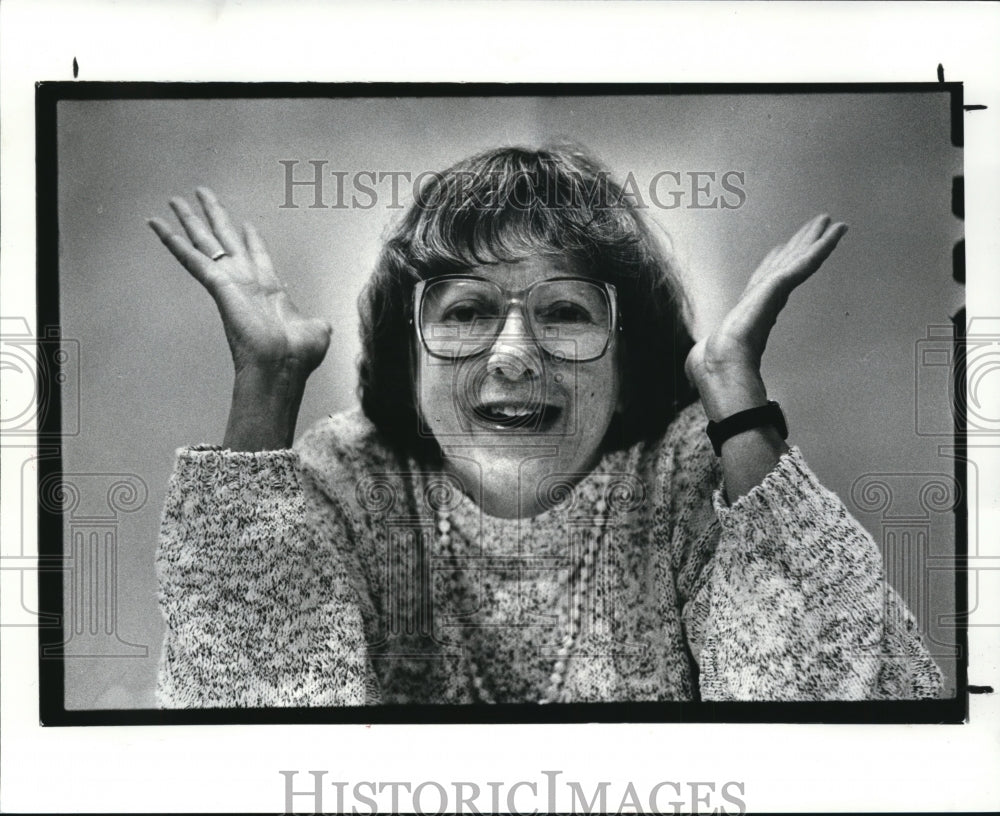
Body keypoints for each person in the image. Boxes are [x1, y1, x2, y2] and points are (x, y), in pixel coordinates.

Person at [148, 145, 943, 706]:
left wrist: (738, 401)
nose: (514, 356)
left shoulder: (688, 474)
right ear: (409, 359)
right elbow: (243, 749)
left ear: (626, 362)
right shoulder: (349, 479)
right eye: (467, 311)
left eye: (564, 312)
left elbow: (839, 735)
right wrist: (266, 387)